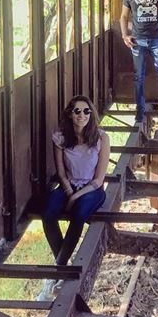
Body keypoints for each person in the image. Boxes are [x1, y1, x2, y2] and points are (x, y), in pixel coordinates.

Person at [38, 95, 110, 300]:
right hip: (69, 185)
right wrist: (69, 192)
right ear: (70, 114)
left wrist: (76, 196)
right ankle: (63, 266)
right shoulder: (60, 137)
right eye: (77, 111)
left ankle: (57, 271)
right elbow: (61, 173)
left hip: (91, 190)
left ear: (91, 113)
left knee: (79, 214)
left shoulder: (101, 138)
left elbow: (98, 180)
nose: (82, 115)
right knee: (48, 212)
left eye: (86, 111)